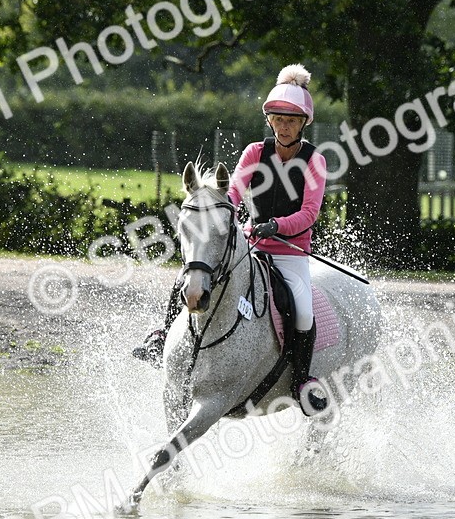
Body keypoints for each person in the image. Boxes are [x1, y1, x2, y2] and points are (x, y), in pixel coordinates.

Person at [133, 64, 329, 412]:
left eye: (291, 121)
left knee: (302, 312)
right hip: (250, 246)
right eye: (278, 120)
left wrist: (277, 226)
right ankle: (161, 337)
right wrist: (225, 218)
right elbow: (232, 195)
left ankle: (302, 380)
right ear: (270, 121)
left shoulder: (315, 161)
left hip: (290, 254)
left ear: (303, 123)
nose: (284, 126)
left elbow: (309, 213)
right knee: (190, 276)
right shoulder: (254, 153)